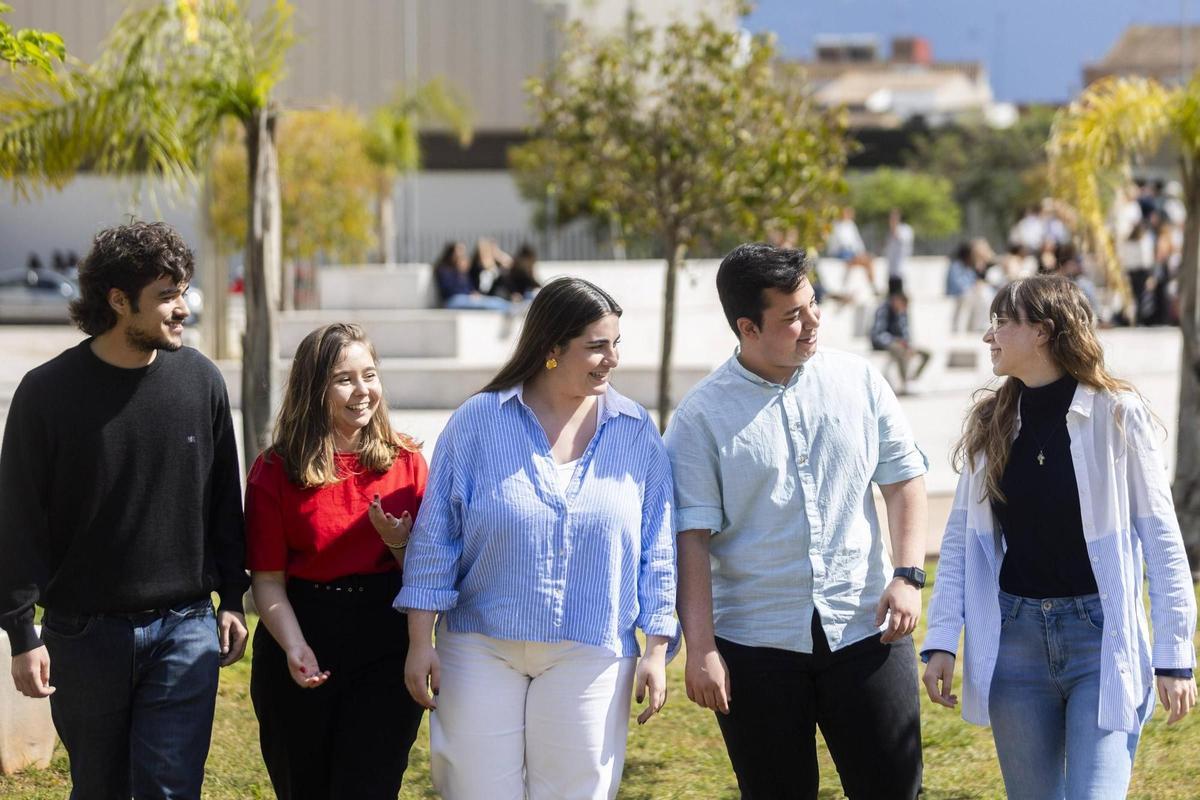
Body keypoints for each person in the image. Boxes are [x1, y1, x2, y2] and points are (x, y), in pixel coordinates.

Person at [396, 277, 678, 800]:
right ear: (552, 349)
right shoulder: (478, 422)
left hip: (591, 648)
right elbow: (437, 539)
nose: (612, 359)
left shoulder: (637, 432)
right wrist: (419, 642)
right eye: (597, 345)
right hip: (480, 645)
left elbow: (658, 550)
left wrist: (657, 649)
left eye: (616, 344)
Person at [666, 243, 929, 800]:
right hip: (755, 646)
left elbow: (904, 480)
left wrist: (908, 576)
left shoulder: (859, 380)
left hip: (867, 628)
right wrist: (702, 647)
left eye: (813, 305)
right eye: (792, 316)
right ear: (747, 327)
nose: (812, 323)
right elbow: (691, 539)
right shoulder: (699, 417)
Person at [921, 275, 1196, 800]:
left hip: (1101, 640)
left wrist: (1174, 655)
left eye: (1002, 321)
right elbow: (960, 543)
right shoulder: (991, 421)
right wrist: (940, 643)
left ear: (1043, 331)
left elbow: (1160, 537)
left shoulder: (1116, 415)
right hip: (1015, 642)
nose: (989, 336)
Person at [0, 221, 249, 798]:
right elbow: (17, 520)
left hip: (185, 627)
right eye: (166, 295)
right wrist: (21, 632)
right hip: (83, 635)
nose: (182, 308)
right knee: (99, 787)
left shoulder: (202, 383)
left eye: (182, 291)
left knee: (170, 788)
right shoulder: (45, 393)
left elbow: (222, 502)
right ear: (118, 301)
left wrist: (232, 597)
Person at [245, 323, 427, 799]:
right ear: (314, 388)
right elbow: (267, 580)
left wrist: (399, 544)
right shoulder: (274, 470)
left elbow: (430, 578)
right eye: (344, 379)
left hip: (385, 640)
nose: (362, 390)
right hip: (302, 631)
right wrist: (294, 647)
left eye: (369, 374)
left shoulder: (406, 463)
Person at [870, 289, 930, 396]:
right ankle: (905, 383)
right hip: (883, 343)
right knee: (901, 351)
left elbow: (905, 332)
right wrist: (895, 340)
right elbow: (877, 334)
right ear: (896, 301)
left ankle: (912, 380)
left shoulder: (902, 311)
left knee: (926, 354)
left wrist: (909, 346)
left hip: (900, 343)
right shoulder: (883, 310)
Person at [432, 241, 510, 311]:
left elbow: (469, 286)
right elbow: (449, 289)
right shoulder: (444, 270)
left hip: (465, 297)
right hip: (453, 300)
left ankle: (510, 307)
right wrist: (460, 276)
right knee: (486, 304)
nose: (461, 255)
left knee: (493, 301)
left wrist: (472, 292)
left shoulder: (460, 270)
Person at [884, 207, 914, 293]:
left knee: (900, 294)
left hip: (901, 269)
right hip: (891, 270)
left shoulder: (906, 229)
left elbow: (902, 240)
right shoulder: (890, 232)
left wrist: (894, 228)